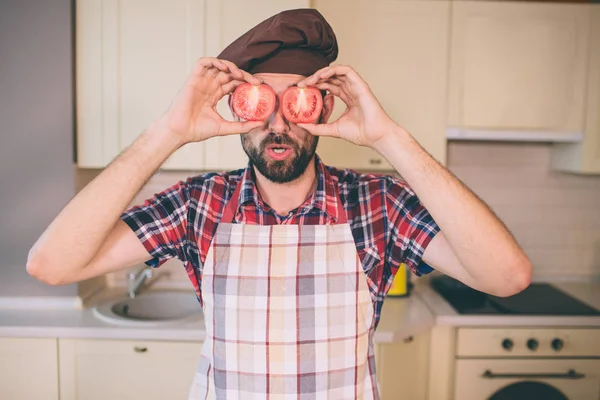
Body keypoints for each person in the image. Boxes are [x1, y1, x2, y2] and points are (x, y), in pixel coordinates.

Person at [27, 8, 531, 400]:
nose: (278, 123)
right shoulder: (198, 203)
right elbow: (51, 265)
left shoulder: (377, 202)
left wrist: (389, 136)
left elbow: (506, 277)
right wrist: (169, 132)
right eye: (259, 101)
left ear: (324, 108)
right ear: (237, 110)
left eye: (297, 101)